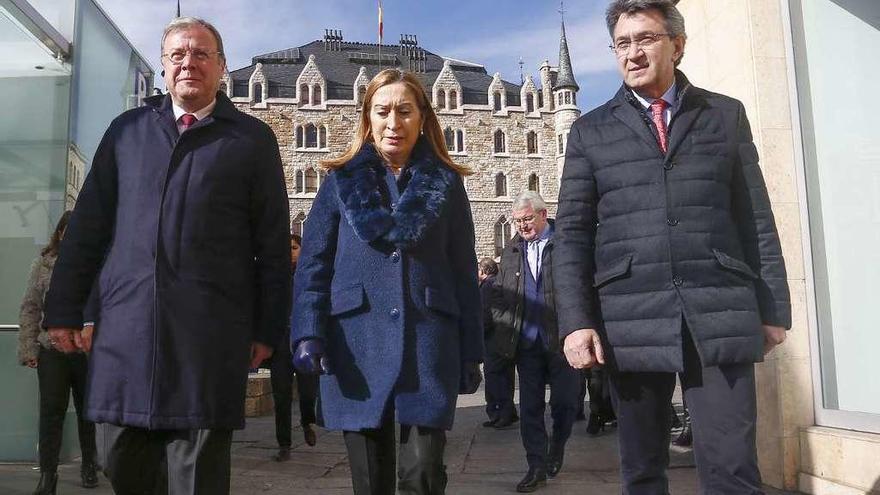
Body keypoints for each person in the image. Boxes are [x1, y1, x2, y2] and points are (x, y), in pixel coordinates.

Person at [41, 16, 291, 495]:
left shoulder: (252, 140)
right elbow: (87, 228)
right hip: (126, 333)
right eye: (178, 55)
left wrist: (268, 328)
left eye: (201, 54)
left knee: (197, 477)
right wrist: (65, 308)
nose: (188, 64)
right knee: (121, 461)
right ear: (163, 67)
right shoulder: (127, 132)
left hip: (208, 339)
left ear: (220, 66)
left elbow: (273, 246)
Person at [553, 1, 791, 493]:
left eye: (646, 39)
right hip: (631, 317)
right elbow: (572, 233)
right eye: (622, 44)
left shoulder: (724, 115)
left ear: (677, 46)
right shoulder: (589, 131)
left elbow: (755, 219)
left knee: (732, 467)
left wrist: (774, 308)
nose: (632, 53)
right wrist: (577, 322)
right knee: (642, 469)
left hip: (718, 307)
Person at [291, 68, 483, 495]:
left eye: (404, 111)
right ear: (368, 118)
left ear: (422, 119)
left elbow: (463, 270)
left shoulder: (446, 185)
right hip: (355, 343)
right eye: (383, 111)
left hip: (428, 344)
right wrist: (307, 333)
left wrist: (472, 349)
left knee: (423, 475)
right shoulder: (340, 183)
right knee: (370, 480)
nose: (393, 122)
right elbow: (314, 267)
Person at [491, 191, 581, 493]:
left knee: (566, 403)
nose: (522, 226)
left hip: (562, 340)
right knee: (530, 407)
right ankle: (536, 465)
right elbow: (500, 294)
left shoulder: (565, 243)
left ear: (543, 214)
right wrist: (502, 326)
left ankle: (557, 447)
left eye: (527, 219)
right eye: (517, 221)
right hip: (526, 343)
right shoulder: (511, 250)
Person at [17, 211, 99, 494]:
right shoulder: (43, 263)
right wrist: (29, 346)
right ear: (60, 233)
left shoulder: (93, 264)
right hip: (51, 347)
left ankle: (90, 464)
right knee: (51, 412)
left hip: (85, 350)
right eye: (67, 230)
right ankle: (48, 475)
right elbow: (30, 306)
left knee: (88, 411)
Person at [270, 233, 319, 462]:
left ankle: (307, 421)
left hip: (303, 343)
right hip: (280, 344)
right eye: (287, 247)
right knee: (281, 396)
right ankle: (284, 444)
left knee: (308, 392)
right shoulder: (276, 277)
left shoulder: (309, 275)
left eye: (294, 247)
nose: (291, 251)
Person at [479, 257, 519, 429]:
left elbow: (486, 313)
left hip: (494, 339)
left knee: (495, 377)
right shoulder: (499, 283)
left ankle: (500, 413)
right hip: (504, 337)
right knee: (505, 376)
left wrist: (480, 332)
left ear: (484, 271)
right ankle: (507, 412)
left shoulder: (488, 287)